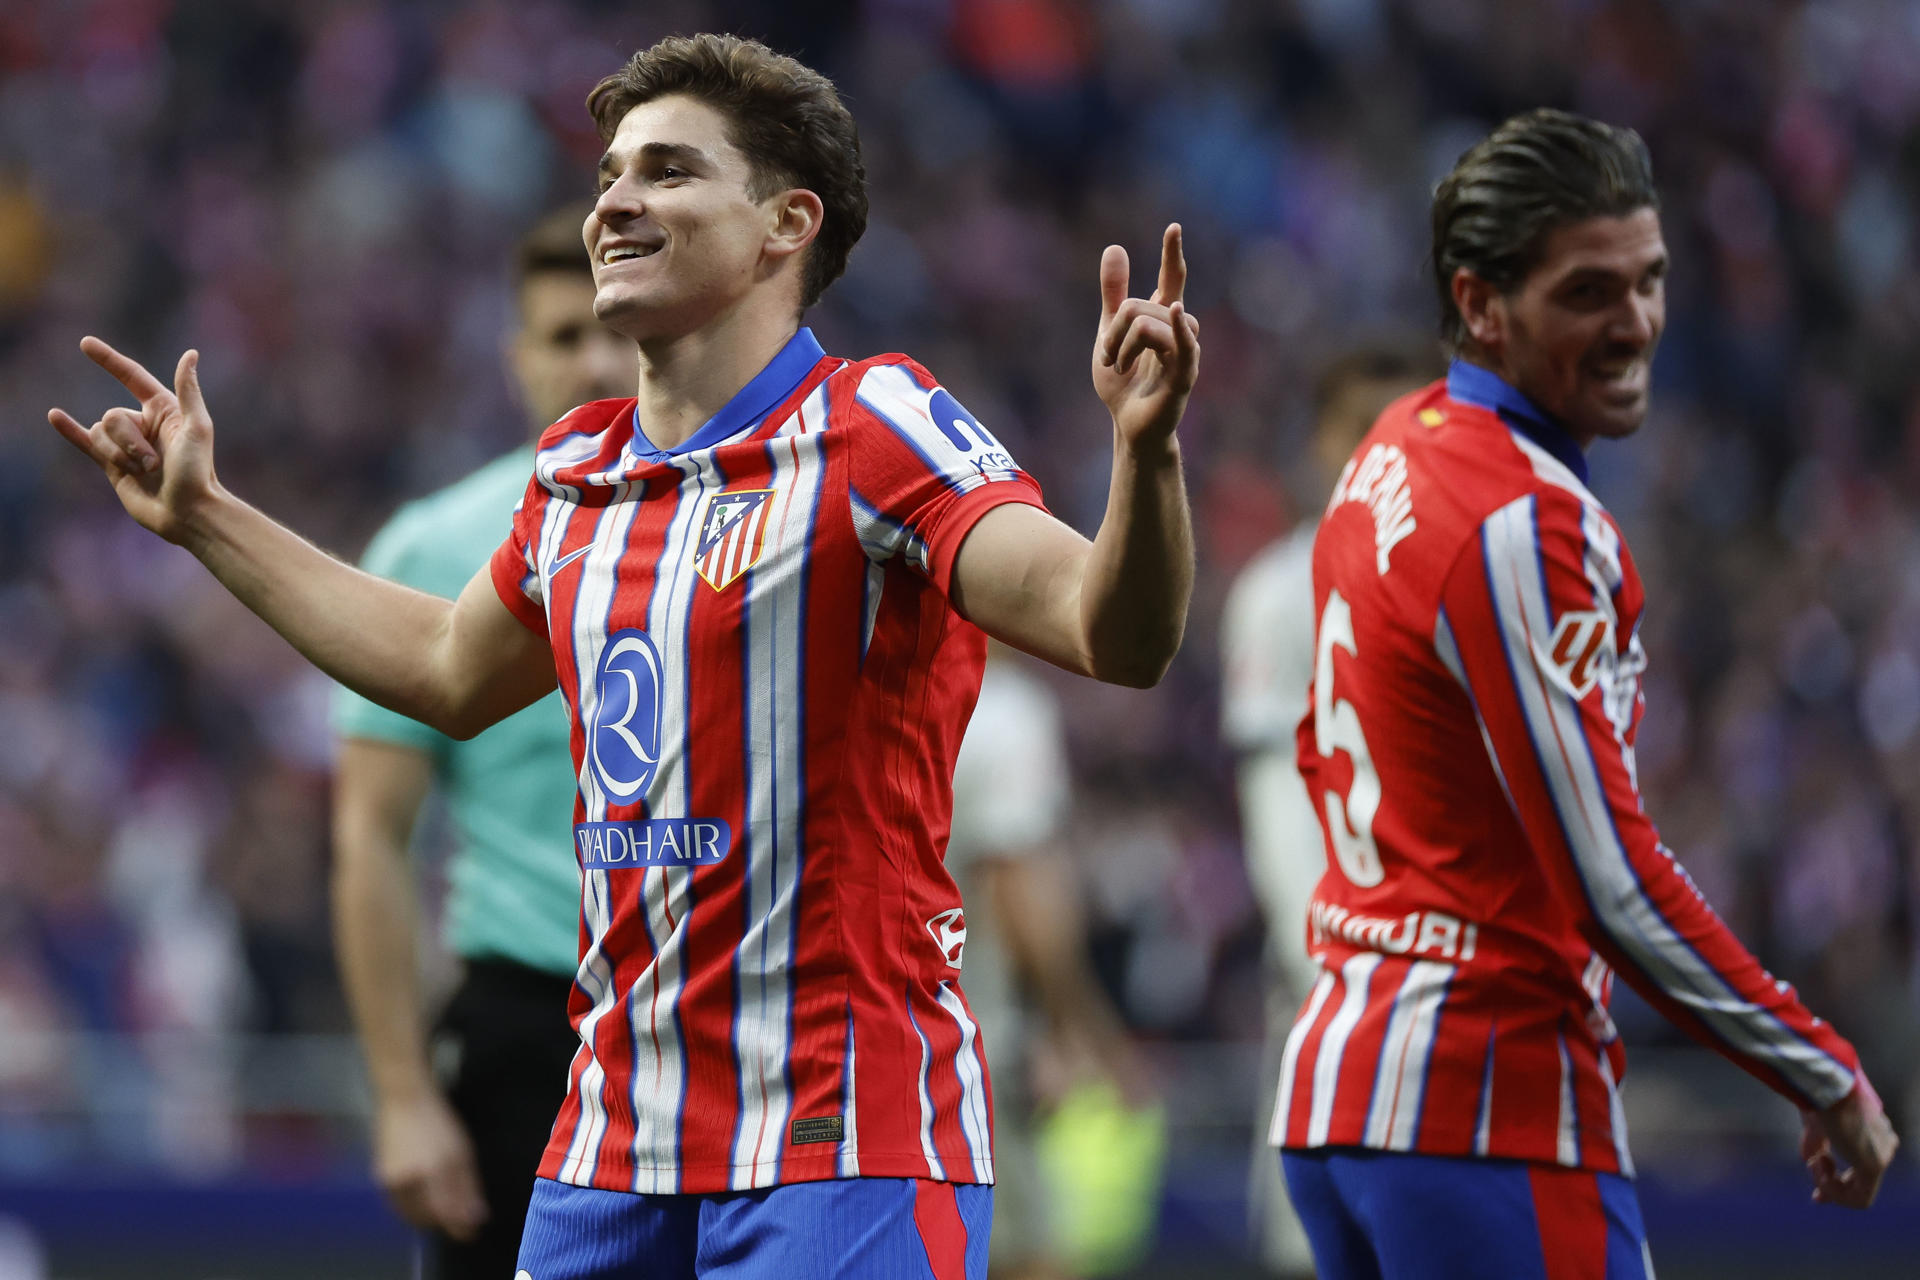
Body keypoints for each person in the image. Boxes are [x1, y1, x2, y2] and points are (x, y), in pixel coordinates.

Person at [46, 32, 1199, 1280]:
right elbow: (442, 664)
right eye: (608, 174)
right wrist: (207, 516)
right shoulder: (581, 473)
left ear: (784, 223)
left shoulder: (876, 427)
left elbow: (1108, 631)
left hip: (841, 1131)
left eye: (666, 171)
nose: (614, 202)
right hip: (608, 1141)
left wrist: (1145, 458)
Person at [1271, 108, 1898, 1278]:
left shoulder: (1387, 453)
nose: (1637, 324)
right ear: (1479, 302)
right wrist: (1822, 1067)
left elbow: (1323, 748)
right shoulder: (1526, 518)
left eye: (1650, 281)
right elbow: (1611, 879)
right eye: (1589, 294)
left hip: (1342, 1101)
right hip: (1486, 1105)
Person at [330, 203, 631, 1278]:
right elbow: (371, 834)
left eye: (616, 328)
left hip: (711, 1007)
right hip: (526, 1023)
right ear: (518, 359)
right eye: (562, 334)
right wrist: (405, 1095)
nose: (595, 356)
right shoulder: (436, 544)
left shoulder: (748, 519)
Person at [1220, 345, 1438, 1280]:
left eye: (1407, 426)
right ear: (1318, 443)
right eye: (1362, 428)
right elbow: (1277, 799)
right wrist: (1331, 965)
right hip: (1343, 986)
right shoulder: (1282, 588)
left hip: (1455, 991)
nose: (1381, 451)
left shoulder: (1464, 566)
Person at [944, 643, 1149, 1280]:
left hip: (874, 1034)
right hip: (967, 1041)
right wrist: (1085, 1031)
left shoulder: (905, 687)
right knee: (1027, 1257)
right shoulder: (1003, 709)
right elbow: (1019, 882)